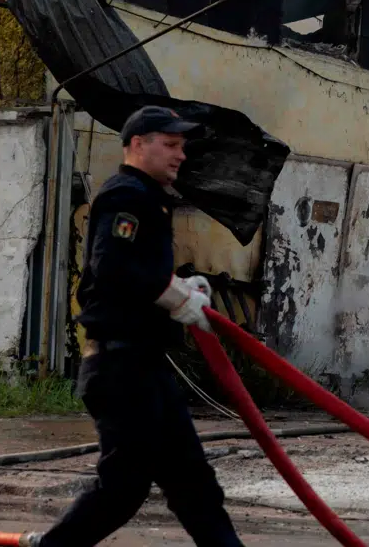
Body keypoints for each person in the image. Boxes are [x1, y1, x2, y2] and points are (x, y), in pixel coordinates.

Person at [31, 105, 244, 547]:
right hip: (120, 368)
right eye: (169, 145)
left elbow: (137, 270)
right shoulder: (126, 195)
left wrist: (179, 287)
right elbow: (112, 266)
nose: (180, 155)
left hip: (145, 367)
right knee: (124, 488)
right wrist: (172, 296)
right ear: (136, 145)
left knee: (194, 484)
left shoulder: (150, 198)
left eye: (181, 146)